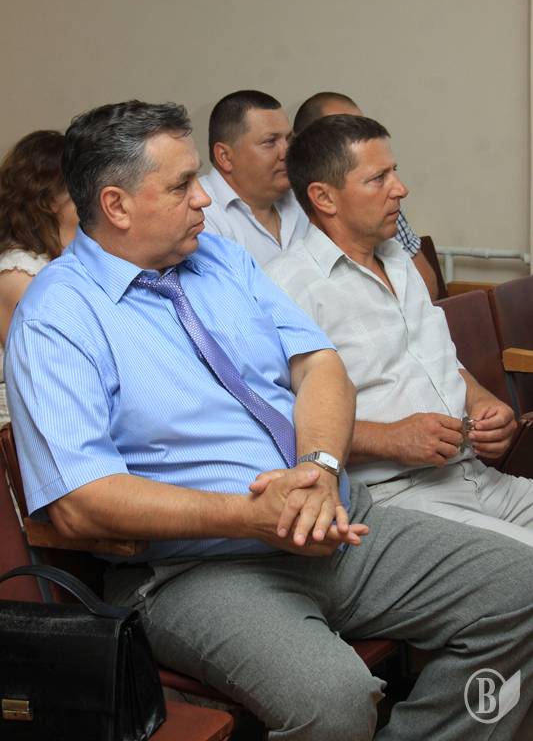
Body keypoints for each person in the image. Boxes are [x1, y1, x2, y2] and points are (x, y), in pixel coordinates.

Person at [6, 100, 533, 741]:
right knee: (334, 700)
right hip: (198, 571)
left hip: (339, 520)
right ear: (116, 205)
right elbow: (80, 504)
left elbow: (321, 365)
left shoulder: (221, 261)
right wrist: (253, 516)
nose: (204, 197)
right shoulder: (56, 317)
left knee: (522, 590)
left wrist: (319, 468)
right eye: (181, 184)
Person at [266, 113, 533, 547]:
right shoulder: (286, 286)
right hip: (396, 496)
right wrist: (389, 440)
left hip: (476, 476)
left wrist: (483, 402)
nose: (400, 189)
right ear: (324, 197)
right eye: (378, 178)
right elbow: (278, 423)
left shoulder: (396, 259)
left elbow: (439, 362)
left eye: (395, 171)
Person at [293, 91, 439, 298]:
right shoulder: (292, 282)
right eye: (378, 178)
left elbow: (427, 292)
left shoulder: (392, 245)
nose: (401, 190)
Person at [0, 130, 78, 424]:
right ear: (50, 199)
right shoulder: (18, 273)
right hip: (28, 423)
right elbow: (44, 367)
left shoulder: (62, 255)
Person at [201, 90, 308, 266]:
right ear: (225, 157)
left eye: (289, 139)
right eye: (270, 142)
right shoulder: (200, 214)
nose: (287, 152)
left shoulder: (303, 197)